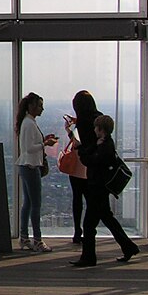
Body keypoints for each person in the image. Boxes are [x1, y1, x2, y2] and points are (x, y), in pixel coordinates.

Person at [72, 114, 140, 267]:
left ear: (101, 129)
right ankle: (128, 247)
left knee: (89, 225)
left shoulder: (105, 146)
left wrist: (80, 150)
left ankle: (89, 257)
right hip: (101, 189)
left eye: (96, 127)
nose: (94, 130)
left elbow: (90, 161)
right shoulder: (105, 144)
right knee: (108, 219)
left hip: (98, 189)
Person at [15, 92, 58, 252]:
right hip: (31, 166)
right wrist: (45, 144)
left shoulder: (27, 122)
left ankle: (24, 237)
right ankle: (37, 240)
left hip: (26, 166)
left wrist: (43, 140)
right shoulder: (29, 123)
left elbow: (28, 145)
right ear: (32, 106)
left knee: (27, 203)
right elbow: (28, 148)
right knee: (35, 205)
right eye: (40, 105)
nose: (42, 108)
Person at [63, 90, 99, 244]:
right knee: (91, 200)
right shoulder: (98, 119)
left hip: (79, 164)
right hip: (93, 165)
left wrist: (69, 131)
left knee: (77, 199)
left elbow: (77, 144)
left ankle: (78, 231)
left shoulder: (82, 123)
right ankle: (90, 230)